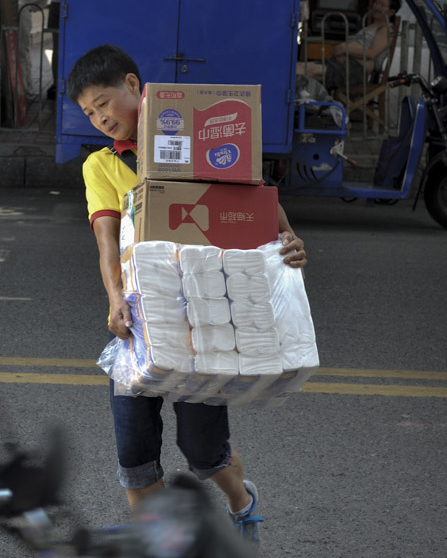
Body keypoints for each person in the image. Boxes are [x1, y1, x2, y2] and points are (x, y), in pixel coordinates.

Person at [67, 44, 308, 545]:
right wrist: (115, 299)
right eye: (89, 113)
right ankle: (158, 545)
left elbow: (255, 199)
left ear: (133, 86)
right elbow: (107, 245)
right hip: (139, 323)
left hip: (206, 318)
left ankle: (242, 501)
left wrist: (288, 240)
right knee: (134, 453)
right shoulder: (101, 168)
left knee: (203, 450)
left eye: (103, 103)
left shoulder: (197, 137)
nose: (99, 118)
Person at [299, 0, 402, 94]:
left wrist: (345, 50)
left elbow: (372, 53)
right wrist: (341, 52)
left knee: (311, 70)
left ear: (392, 12)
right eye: (376, 3)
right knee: (302, 66)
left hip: (355, 70)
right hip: (341, 64)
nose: (377, 6)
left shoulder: (386, 30)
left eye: (382, 5)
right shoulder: (369, 27)